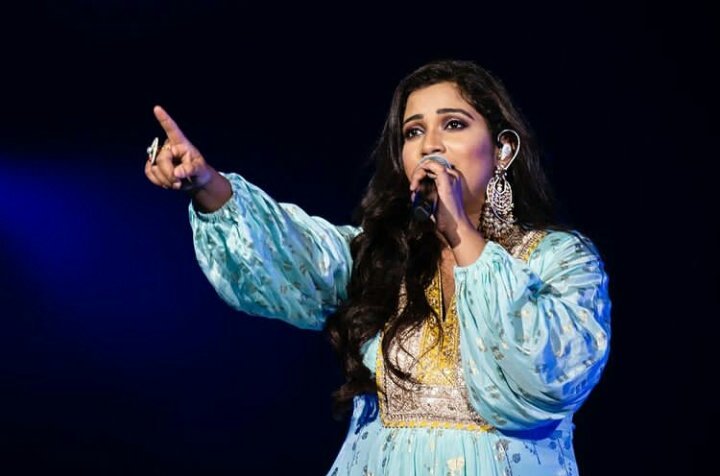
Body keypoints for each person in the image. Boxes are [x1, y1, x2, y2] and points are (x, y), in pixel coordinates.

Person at [144, 59, 611, 475]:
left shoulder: (557, 259)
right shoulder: (378, 258)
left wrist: (461, 235)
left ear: (502, 149)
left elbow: (550, 374)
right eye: (413, 132)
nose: (430, 146)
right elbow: (289, 252)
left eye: (453, 124)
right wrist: (206, 183)